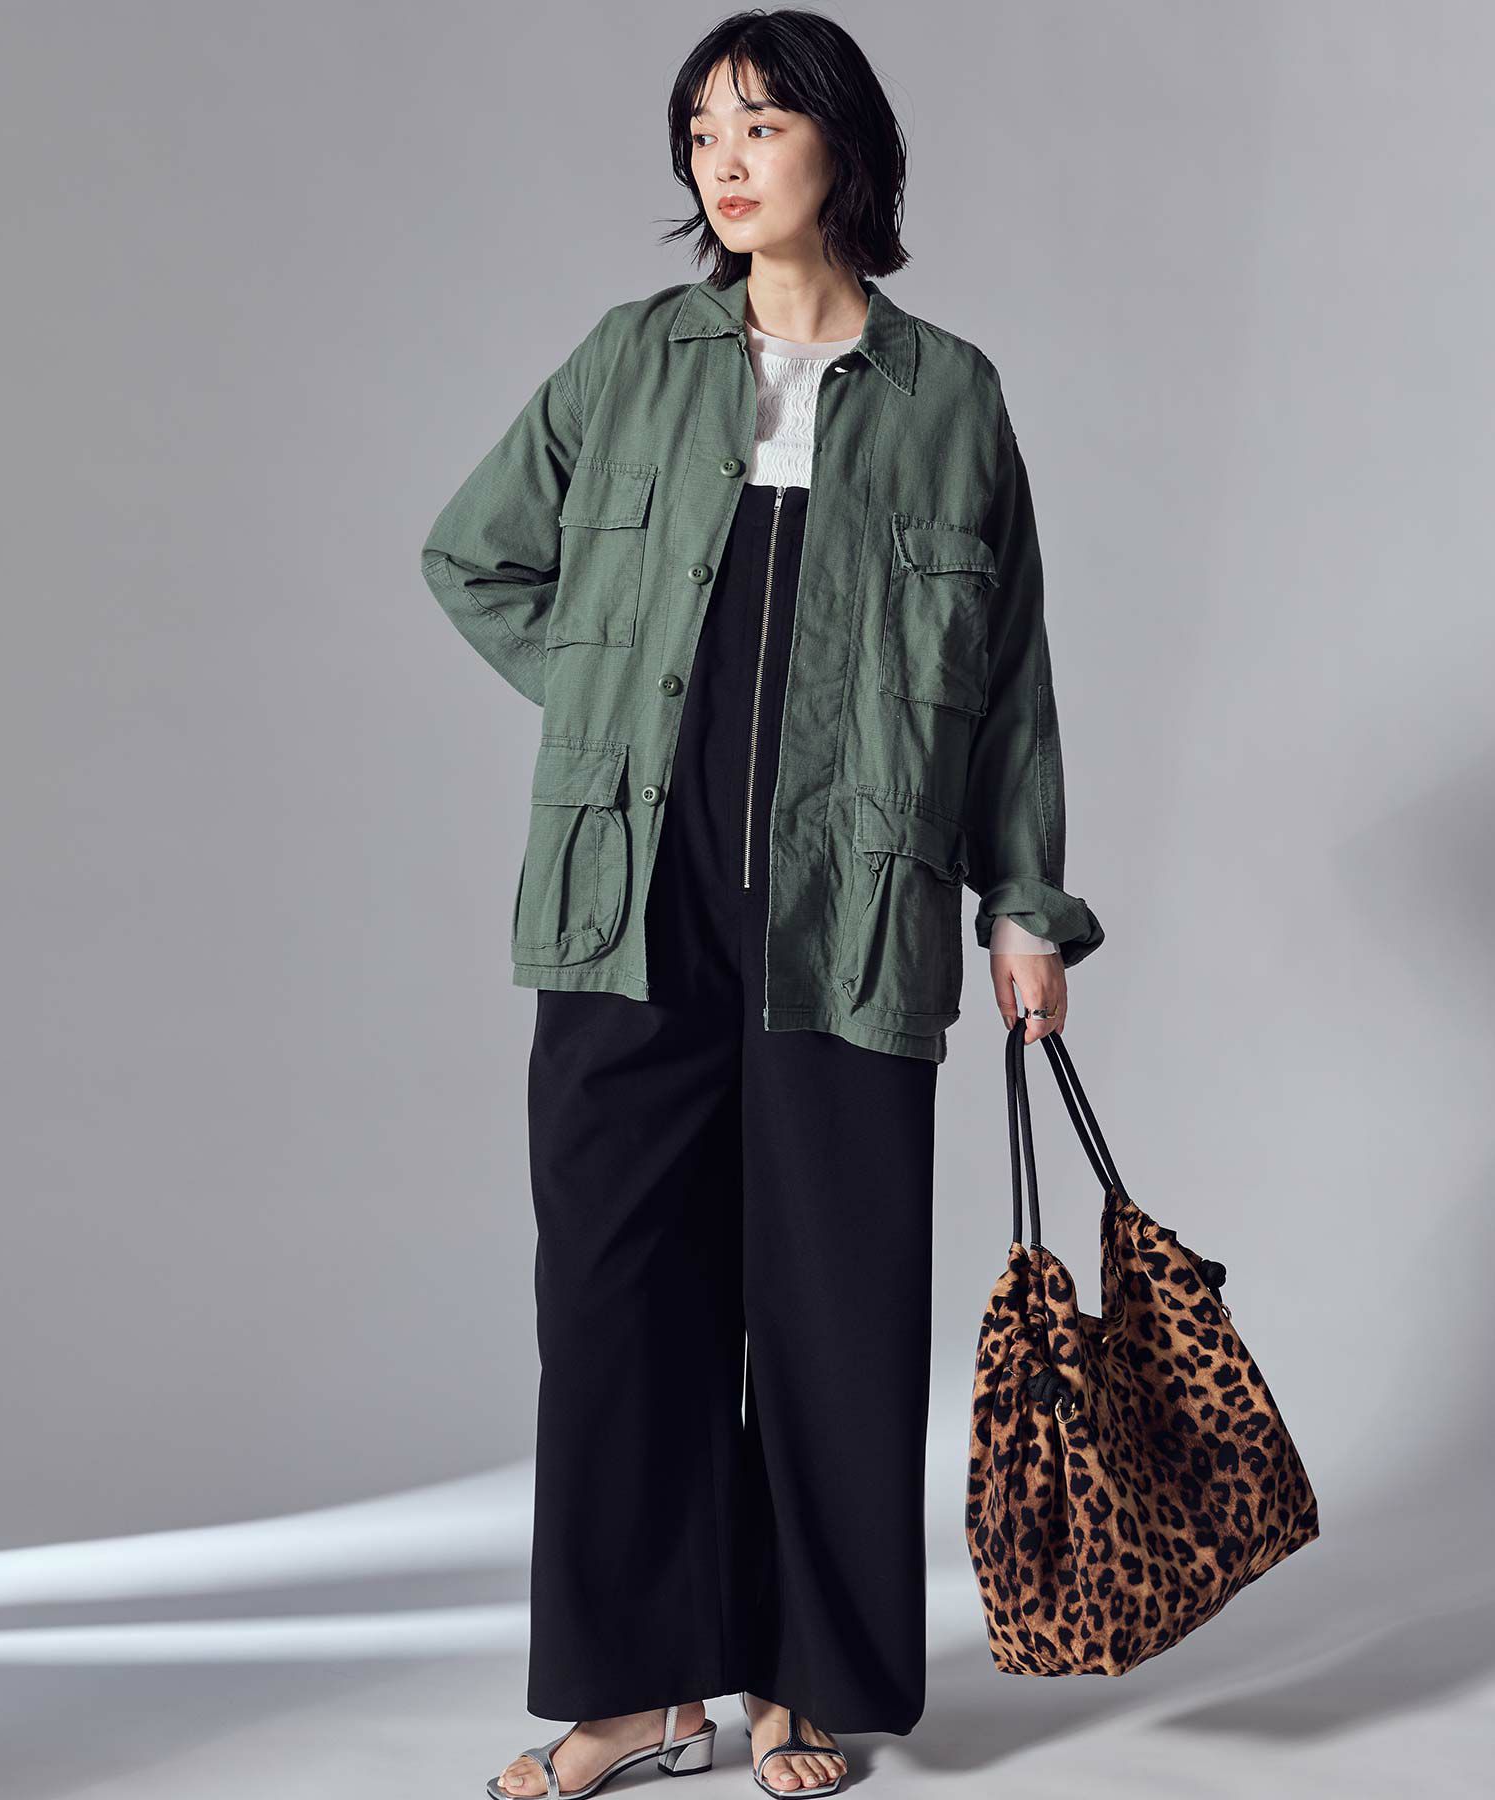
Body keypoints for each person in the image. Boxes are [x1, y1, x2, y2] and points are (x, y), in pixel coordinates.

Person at [418, 12, 1104, 1796]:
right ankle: (639, 1692)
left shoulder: (950, 398)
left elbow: (1009, 682)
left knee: (833, 1304)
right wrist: (607, 704)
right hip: (629, 905)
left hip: (853, 913)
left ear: (842, 147)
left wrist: (1024, 905)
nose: (723, 160)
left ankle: (803, 1680)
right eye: (700, 131)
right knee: (619, 1296)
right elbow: (475, 554)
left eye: (760, 123)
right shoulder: (629, 360)